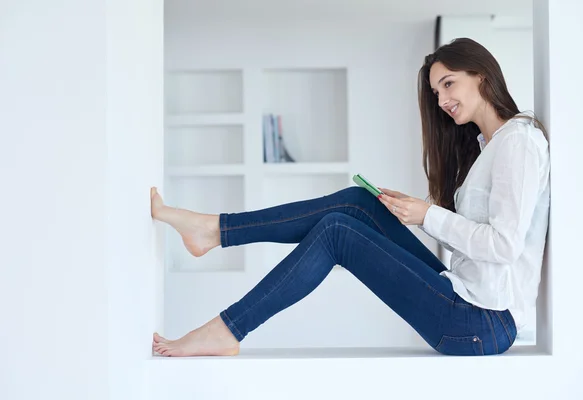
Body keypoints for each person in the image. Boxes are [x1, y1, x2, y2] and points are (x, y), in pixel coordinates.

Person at [151, 37, 550, 357]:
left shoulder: (518, 142)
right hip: (466, 300)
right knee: (358, 202)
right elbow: (475, 245)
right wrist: (409, 213)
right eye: (436, 92)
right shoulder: (489, 147)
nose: (442, 100)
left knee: (336, 233)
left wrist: (428, 215)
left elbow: (504, 245)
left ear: (480, 74)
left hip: (483, 322)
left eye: (448, 84)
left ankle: (226, 329)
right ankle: (215, 230)